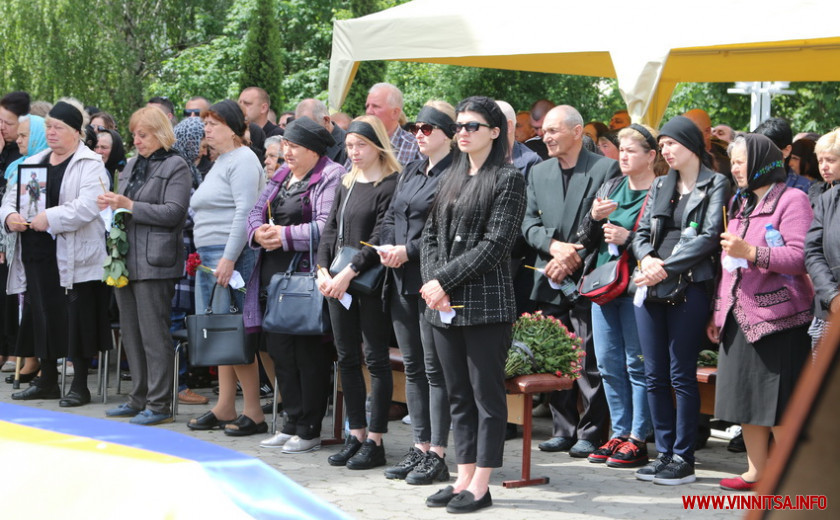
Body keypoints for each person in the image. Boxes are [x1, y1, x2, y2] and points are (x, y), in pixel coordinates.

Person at [419, 96, 526, 514]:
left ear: (495, 132)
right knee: (457, 395)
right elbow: (429, 236)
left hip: (484, 306)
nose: (462, 132)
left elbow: (497, 244)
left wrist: (443, 280)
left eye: (472, 126)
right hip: (441, 304)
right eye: (459, 126)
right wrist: (433, 283)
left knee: (486, 397)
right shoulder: (452, 173)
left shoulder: (508, 178)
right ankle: (462, 475)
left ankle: (482, 483)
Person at [709, 133, 813, 491]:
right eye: (734, 162)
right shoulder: (743, 203)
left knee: (781, 406)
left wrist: (752, 251)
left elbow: (799, 257)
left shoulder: (793, 199)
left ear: (760, 162)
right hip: (738, 316)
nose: (734, 168)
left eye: (740, 162)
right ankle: (757, 471)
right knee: (747, 401)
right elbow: (729, 264)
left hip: (779, 319)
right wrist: (718, 311)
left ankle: (801, 476)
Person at [630, 115, 729, 485]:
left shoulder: (715, 183)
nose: (665, 151)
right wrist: (647, 259)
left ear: (690, 144)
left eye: (671, 143)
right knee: (653, 374)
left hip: (689, 286)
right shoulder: (659, 185)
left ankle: (684, 457)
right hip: (652, 285)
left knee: (680, 374)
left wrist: (665, 267)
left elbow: (708, 237)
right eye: (663, 145)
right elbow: (640, 233)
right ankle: (664, 452)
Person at [522, 105, 618, 459]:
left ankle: (592, 431)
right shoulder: (538, 171)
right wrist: (554, 248)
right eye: (543, 131)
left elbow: (606, 223)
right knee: (555, 355)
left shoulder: (605, 168)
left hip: (587, 275)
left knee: (589, 358)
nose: (545, 137)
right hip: (548, 274)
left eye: (553, 130)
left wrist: (571, 255)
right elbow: (527, 222)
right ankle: (563, 429)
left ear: (577, 132)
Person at [1, 99, 111, 406]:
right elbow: (10, 198)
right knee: (40, 315)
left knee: (76, 317)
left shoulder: (90, 164)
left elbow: (89, 205)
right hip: (36, 252)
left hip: (73, 252)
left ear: (76, 132)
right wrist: (9, 217)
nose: (51, 132)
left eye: (58, 127)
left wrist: (50, 217)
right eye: (48, 126)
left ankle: (79, 385)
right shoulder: (33, 161)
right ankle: (47, 380)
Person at [244, 117, 343, 453]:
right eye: (284, 145)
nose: (286, 152)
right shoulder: (283, 175)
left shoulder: (332, 175)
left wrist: (283, 236)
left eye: (294, 146)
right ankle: (290, 421)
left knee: (308, 355)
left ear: (314, 151)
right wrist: (258, 232)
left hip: (305, 279)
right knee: (280, 351)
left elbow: (325, 227)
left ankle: (310, 428)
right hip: (274, 278)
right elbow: (255, 211)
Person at [100, 106, 192, 424]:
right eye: (134, 135)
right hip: (125, 261)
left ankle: (159, 404)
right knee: (131, 332)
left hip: (156, 261)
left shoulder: (176, 164)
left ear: (160, 133)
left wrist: (129, 205)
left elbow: (174, 213)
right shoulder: (134, 164)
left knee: (154, 335)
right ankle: (137, 398)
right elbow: (125, 205)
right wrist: (113, 203)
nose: (136, 141)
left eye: (143, 134)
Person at [317, 115, 399, 470]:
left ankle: (377, 439)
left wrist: (348, 273)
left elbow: (379, 236)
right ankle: (357, 433)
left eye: (360, 145)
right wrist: (322, 270)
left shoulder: (390, 182)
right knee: (347, 358)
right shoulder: (346, 181)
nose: (353, 152)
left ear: (377, 144)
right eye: (349, 145)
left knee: (377, 360)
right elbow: (330, 230)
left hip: (367, 283)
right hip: (337, 283)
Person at [379, 101, 455, 484]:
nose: (420, 135)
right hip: (401, 278)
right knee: (412, 366)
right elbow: (393, 214)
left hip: (432, 280)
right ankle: (420, 445)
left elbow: (442, 230)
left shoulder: (455, 173)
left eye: (428, 129)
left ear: (448, 134)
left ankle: (438, 451)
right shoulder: (411, 168)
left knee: (434, 368)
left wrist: (406, 250)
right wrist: (390, 248)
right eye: (416, 130)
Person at [577, 124, 659, 468]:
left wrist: (628, 237)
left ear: (651, 156)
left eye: (631, 151)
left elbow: (665, 242)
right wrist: (594, 219)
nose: (623, 156)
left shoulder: (661, 191)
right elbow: (585, 236)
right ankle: (619, 432)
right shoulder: (611, 184)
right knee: (609, 365)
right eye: (621, 150)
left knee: (636, 364)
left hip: (639, 287)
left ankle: (638, 438)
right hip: (604, 285)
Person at [187, 100, 265, 436]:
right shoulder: (221, 162)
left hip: (229, 255)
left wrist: (229, 257)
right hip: (212, 255)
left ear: (233, 128)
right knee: (220, 332)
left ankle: (253, 411)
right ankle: (224, 406)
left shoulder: (244, 160)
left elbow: (244, 212)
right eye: (205, 124)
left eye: (214, 124)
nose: (207, 130)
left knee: (234, 331)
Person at [1, 113, 45, 376]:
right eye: (17, 135)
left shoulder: (48, 164)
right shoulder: (17, 166)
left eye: (24, 135)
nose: (18, 140)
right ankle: (28, 357)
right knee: (23, 302)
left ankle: (41, 360)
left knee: (37, 304)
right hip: (17, 241)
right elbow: (7, 203)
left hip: (42, 243)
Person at [805, 129, 840, 350]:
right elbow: (813, 251)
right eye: (820, 160)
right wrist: (832, 295)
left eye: (831, 160)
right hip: (829, 310)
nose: (824, 166)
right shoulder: (826, 199)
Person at [365, 83, 422, 166]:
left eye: (375, 106)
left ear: (395, 113)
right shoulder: (359, 143)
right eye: (367, 106)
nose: (368, 111)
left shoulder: (415, 146)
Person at [295, 98, 348, 167]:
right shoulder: (303, 145)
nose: (304, 134)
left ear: (326, 120)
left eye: (308, 128)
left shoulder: (349, 145)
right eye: (300, 128)